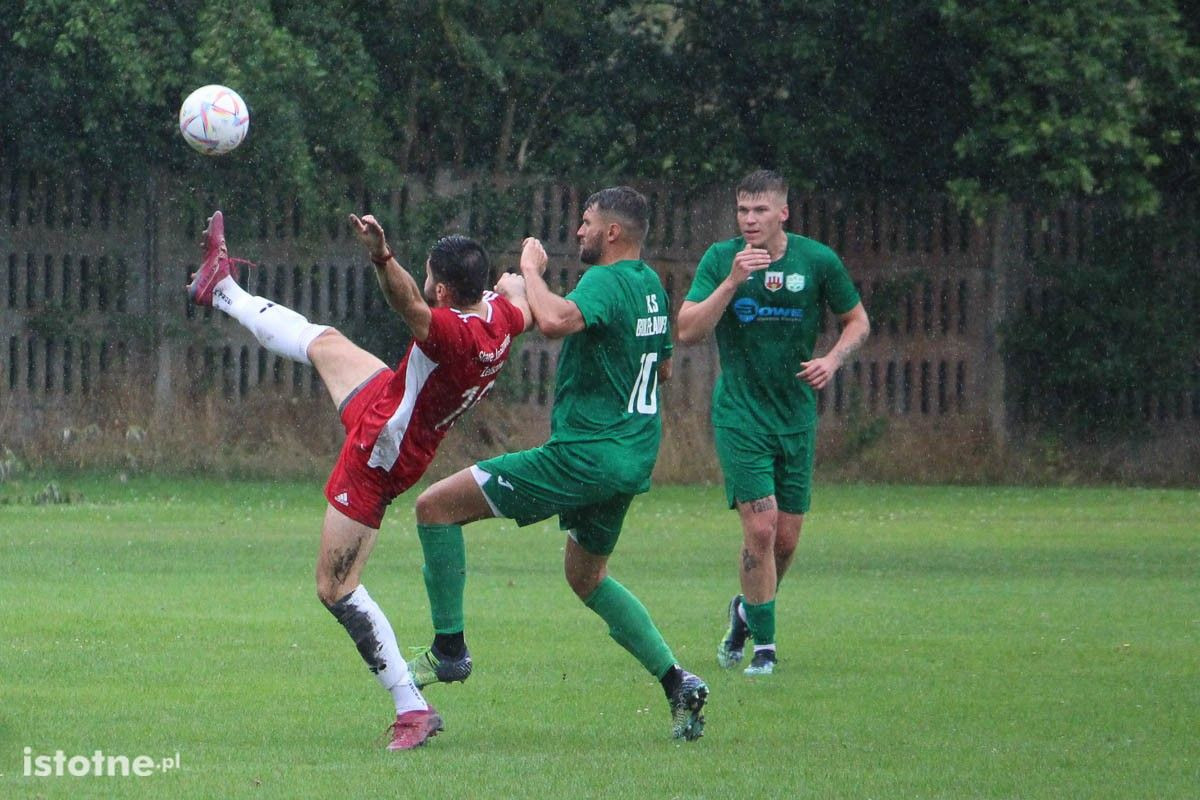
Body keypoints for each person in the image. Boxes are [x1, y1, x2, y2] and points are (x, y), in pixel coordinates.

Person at [185, 210, 530, 750]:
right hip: (394, 403)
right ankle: (221, 287)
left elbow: (407, 303)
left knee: (335, 587)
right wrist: (527, 268)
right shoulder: (503, 318)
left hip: (381, 451)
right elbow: (518, 296)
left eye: (429, 275)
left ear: (442, 288)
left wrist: (381, 256)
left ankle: (410, 706)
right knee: (323, 342)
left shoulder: (451, 334)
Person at [404, 186, 710, 741]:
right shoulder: (649, 289)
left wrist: (528, 275)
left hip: (583, 457)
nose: (579, 231)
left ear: (612, 232)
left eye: (587, 222)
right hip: (633, 456)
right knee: (586, 576)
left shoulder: (607, 280)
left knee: (434, 508)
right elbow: (661, 372)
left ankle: (449, 649)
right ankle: (677, 682)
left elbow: (554, 321)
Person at [676, 169, 870, 677]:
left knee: (784, 541)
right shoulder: (722, 259)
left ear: (783, 212)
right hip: (741, 415)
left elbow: (858, 321)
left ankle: (745, 613)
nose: (749, 219)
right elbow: (688, 329)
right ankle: (764, 648)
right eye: (742, 210)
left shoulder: (817, 261)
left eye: (760, 210)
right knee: (760, 529)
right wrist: (732, 282)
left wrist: (833, 359)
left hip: (796, 417)